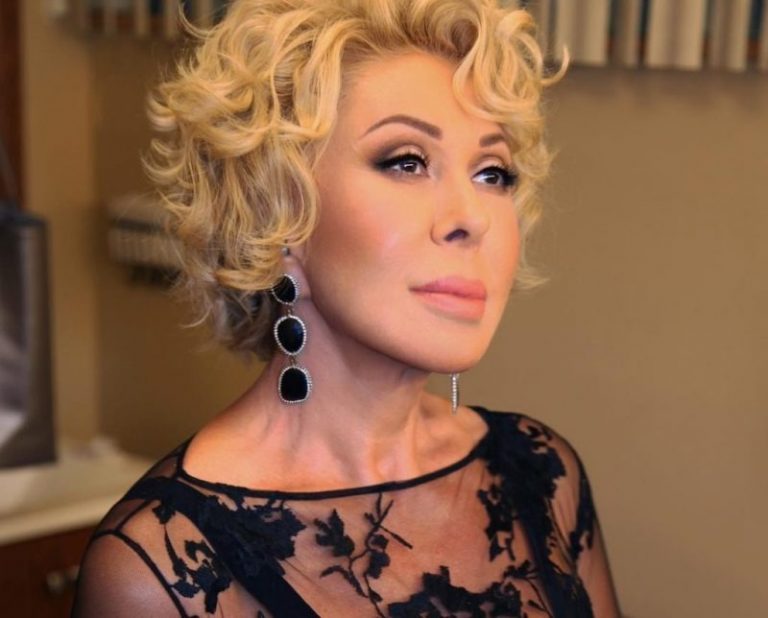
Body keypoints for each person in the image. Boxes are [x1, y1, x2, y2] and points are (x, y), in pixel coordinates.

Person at [73, 0, 621, 616]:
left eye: (492, 173)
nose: (472, 218)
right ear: (279, 216)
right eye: (407, 162)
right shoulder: (161, 569)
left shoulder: (541, 474)